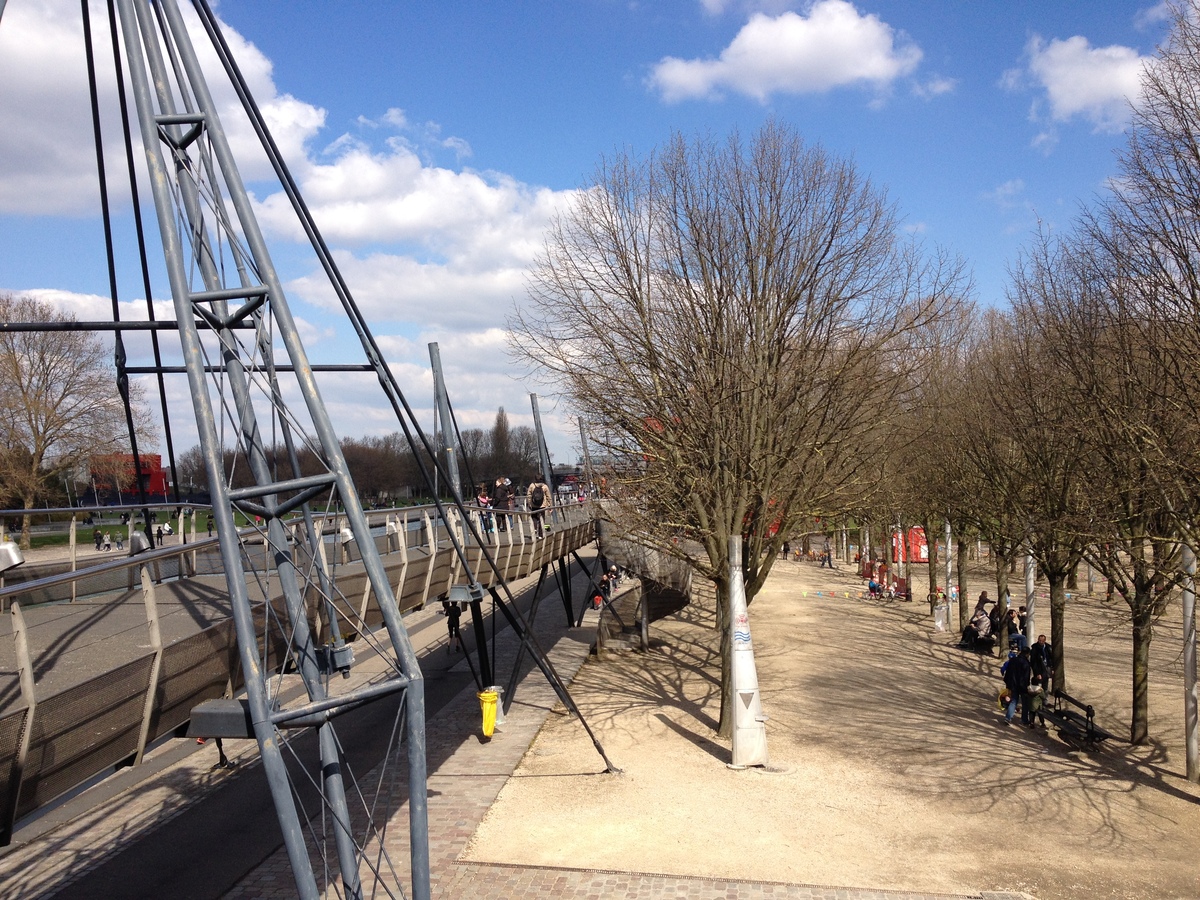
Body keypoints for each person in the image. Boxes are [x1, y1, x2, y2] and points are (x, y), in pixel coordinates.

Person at [1002, 647, 1033, 726]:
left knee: (1013, 701)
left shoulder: (1013, 660)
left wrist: (1008, 683)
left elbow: (1008, 672)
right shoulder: (1026, 663)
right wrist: (1026, 686)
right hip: (1022, 685)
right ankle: (1024, 720)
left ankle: (1008, 718)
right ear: (1027, 654)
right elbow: (1026, 677)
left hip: (1013, 685)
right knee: (1025, 703)